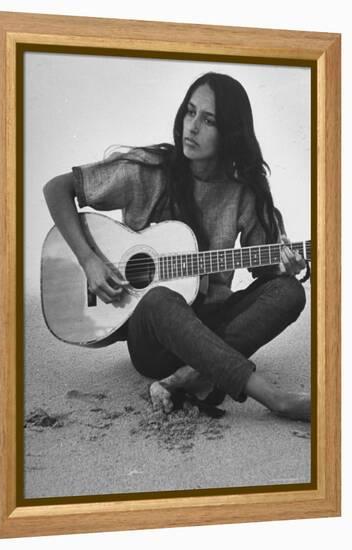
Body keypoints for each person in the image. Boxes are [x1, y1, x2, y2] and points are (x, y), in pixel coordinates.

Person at [43, 72, 310, 422]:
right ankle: (275, 399)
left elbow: (266, 274)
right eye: (190, 112)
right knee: (159, 298)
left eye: (208, 119)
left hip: (213, 329)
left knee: (289, 292)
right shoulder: (149, 171)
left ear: (230, 131)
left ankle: (185, 377)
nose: (193, 126)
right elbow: (57, 188)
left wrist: (286, 265)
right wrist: (90, 260)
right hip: (153, 342)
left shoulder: (244, 192)